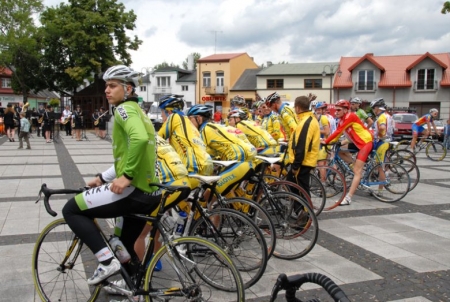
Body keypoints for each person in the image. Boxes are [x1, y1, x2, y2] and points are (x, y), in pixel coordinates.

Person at [62, 65, 162, 288]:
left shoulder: (124, 110)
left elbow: (139, 140)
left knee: (71, 209)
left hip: (133, 190)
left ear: (127, 89)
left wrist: (126, 175)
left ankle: (106, 261)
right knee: (122, 242)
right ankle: (135, 287)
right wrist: (103, 177)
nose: (107, 90)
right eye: (106, 86)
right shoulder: (139, 112)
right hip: (149, 192)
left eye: (112, 85)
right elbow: (129, 154)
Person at [187, 105, 256, 195]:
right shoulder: (214, 126)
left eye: (190, 119)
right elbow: (213, 151)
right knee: (228, 192)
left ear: (199, 118)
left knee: (213, 190)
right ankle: (241, 207)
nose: (188, 123)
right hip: (248, 158)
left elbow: (201, 155)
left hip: (238, 160)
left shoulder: (204, 130)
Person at [322, 99, 373, 205]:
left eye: (339, 110)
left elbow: (337, 132)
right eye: (335, 110)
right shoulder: (342, 119)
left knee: (357, 171)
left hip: (365, 143)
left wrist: (326, 141)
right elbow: (344, 135)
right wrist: (335, 143)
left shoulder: (350, 116)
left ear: (346, 110)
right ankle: (355, 165)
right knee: (339, 151)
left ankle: (348, 198)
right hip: (357, 142)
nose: (336, 112)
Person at [158, 94, 213, 177]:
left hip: (191, 166)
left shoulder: (174, 117)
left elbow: (157, 139)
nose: (161, 115)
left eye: (162, 111)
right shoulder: (190, 123)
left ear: (168, 111)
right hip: (206, 164)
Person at [287, 96, 320, 198]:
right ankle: (302, 210)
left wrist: (296, 165)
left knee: (300, 190)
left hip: (303, 162)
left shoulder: (306, 121)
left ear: (298, 108)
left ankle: (304, 211)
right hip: (305, 160)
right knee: (298, 187)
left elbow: (302, 145)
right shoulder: (307, 119)